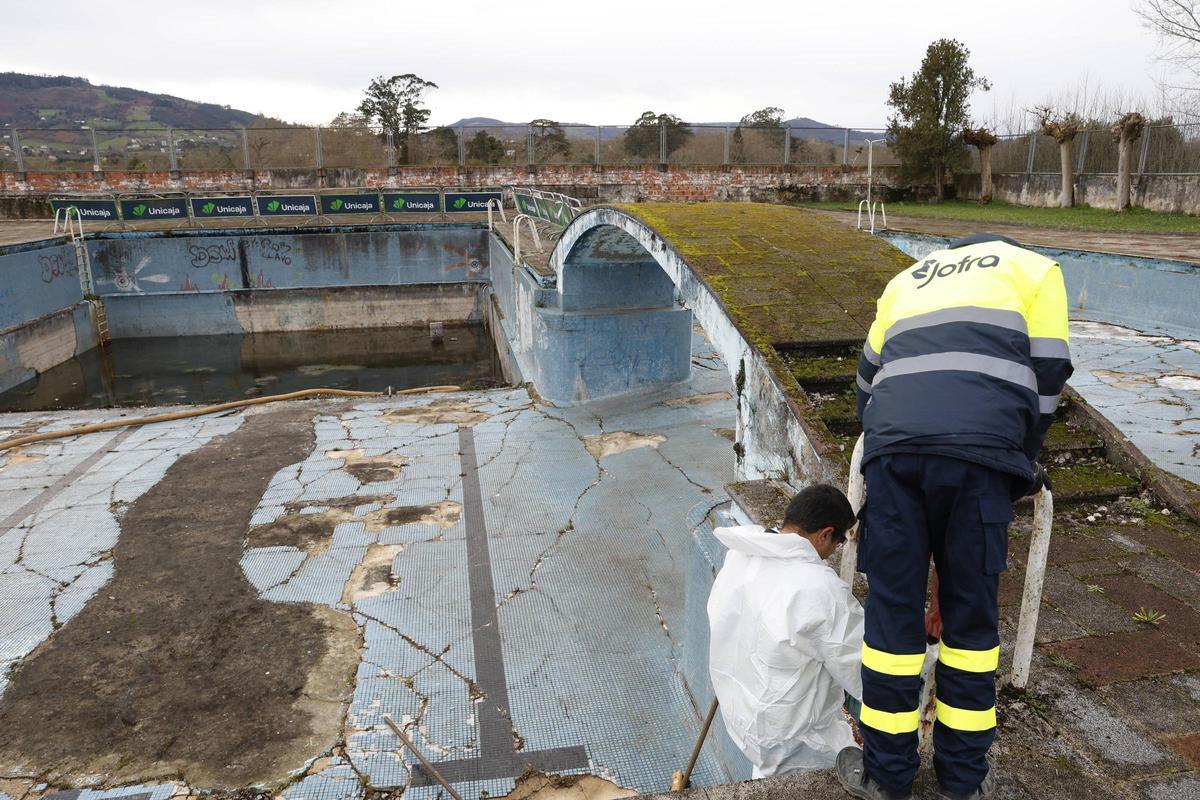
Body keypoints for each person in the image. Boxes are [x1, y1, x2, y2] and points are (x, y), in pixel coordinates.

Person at [836, 234, 1073, 800]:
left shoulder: (905, 281)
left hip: (893, 457)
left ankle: (887, 776)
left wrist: (893, 436)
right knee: (969, 624)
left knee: (891, 618)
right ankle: (962, 779)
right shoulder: (1036, 270)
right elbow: (1048, 377)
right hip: (981, 458)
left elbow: (866, 383)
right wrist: (1022, 456)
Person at [707, 483, 864, 777]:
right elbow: (863, 669)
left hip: (745, 723)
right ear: (825, 534)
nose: (832, 552)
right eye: (837, 542)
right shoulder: (820, 590)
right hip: (796, 744)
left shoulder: (742, 557)